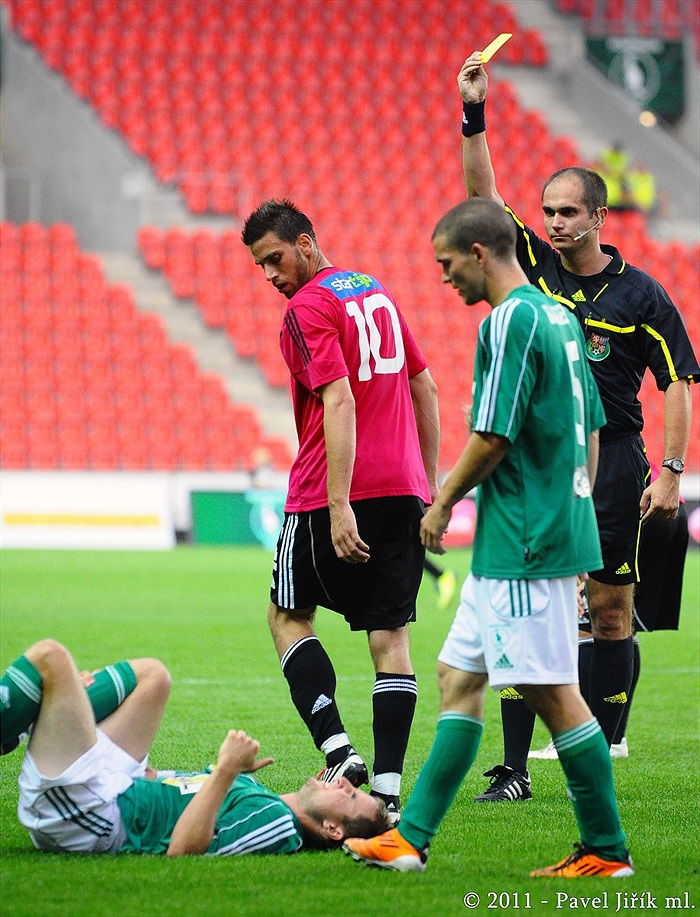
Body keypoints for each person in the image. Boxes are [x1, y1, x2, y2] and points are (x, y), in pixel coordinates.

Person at [343, 197, 633, 877]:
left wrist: (441, 502)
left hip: (523, 538)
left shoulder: (509, 322)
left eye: (447, 264)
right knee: (458, 676)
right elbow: (590, 427)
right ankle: (409, 837)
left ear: (478, 253)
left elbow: (494, 432)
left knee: (551, 692)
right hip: (540, 529)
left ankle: (606, 847)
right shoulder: (561, 317)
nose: (444, 278)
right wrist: (578, 506)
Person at [457, 50, 699, 802]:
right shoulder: (532, 265)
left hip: (620, 461)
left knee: (609, 604)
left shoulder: (643, 296)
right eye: (549, 210)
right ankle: (514, 767)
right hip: (536, 458)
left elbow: (680, 381)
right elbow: (482, 202)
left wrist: (671, 469)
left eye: (568, 212)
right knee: (525, 597)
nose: (555, 222)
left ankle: (601, 739)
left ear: (599, 215)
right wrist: (474, 114)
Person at [241, 200, 440, 823]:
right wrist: (426, 489)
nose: (271, 276)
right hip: (402, 487)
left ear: (306, 243)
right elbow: (424, 386)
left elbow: (338, 397)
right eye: (260, 267)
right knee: (391, 638)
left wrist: (338, 504)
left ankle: (338, 751)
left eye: (275, 259)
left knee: (286, 614)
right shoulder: (372, 290)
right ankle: (386, 792)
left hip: (333, 488)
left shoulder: (306, 309)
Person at [2, 639, 391, 856]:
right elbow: (171, 788)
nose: (346, 784)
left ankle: (30, 718)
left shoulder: (277, 826)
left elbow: (184, 851)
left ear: (332, 830)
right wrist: (78, 719)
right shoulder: (265, 798)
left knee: (51, 659)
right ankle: (34, 720)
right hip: (122, 783)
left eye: (352, 797)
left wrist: (225, 770)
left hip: (94, 812)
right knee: (155, 678)